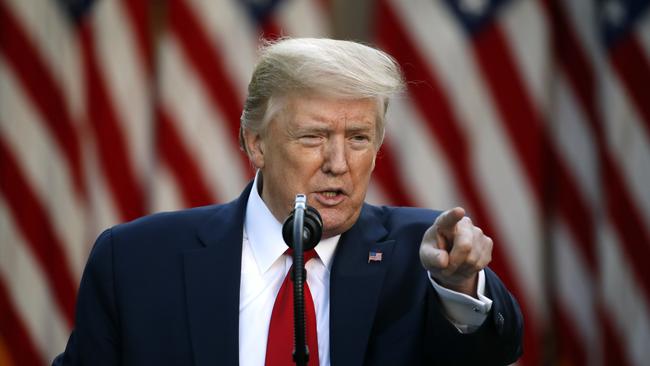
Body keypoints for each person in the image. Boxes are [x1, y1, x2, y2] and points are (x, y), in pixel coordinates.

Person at [53, 38, 523, 365]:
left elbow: (494, 352)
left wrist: (459, 286)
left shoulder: (420, 256)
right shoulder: (136, 261)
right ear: (256, 143)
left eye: (359, 138)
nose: (338, 162)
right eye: (314, 136)